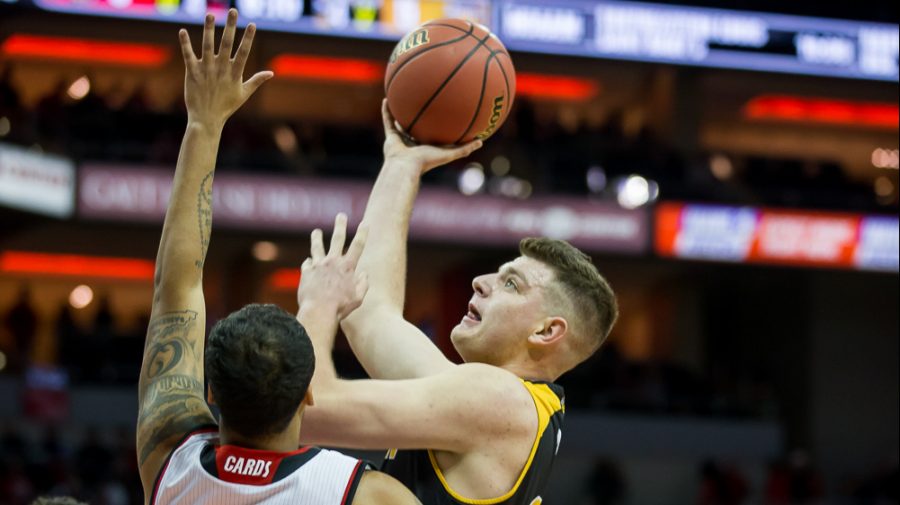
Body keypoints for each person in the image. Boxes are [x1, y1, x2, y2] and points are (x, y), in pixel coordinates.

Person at [136, 10, 420, 505]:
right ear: (310, 394)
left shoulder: (168, 459)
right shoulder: (366, 494)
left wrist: (204, 124)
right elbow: (174, 289)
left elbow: (175, 287)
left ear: (212, 394)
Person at [299, 102, 618, 504]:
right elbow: (369, 313)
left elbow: (308, 412)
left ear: (546, 331)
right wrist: (401, 166)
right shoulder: (501, 402)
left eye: (511, 284)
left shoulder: (496, 400)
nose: (480, 282)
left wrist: (316, 307)